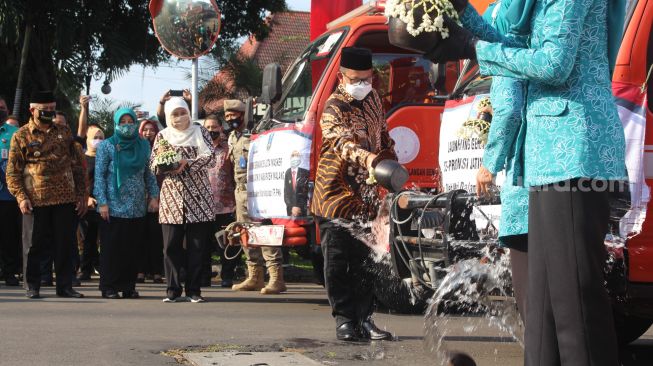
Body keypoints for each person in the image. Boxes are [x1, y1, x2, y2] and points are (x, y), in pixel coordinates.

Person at [431, 0, 627, 364]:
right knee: (543, 321)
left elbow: (553, 63)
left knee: (573, 310)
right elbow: (518, 47)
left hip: (573, 154)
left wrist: (472, 47)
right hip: (548, 158)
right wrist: (460, 14)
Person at [311, 47, 397, 341]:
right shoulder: (334, 106)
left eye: (366, 78)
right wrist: (370, 159)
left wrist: (391, 163)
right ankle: (345, 320)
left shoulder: (374, 100)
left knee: (367, 262)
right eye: (355, 78)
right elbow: (342, 145)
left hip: (367, 199)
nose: (361, 84)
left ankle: (366, 318)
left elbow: (384, 136)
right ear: (341, 77)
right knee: (337, 263)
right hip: (335, 196)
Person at [469, 0, 529, 324]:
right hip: (569, 178)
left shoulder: (503, 31)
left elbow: (507, 109)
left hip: (527, 181)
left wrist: (489, 164)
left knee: (532, 301)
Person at [6, 90, 87, 299]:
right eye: (45, 110)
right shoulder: (21, 135)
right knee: (33, 245)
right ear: (32, 110)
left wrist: (82, 194)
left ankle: (65, 286)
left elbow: (78, 165)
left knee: (65, 244)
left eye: (52, 109)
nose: (49, 113)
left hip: (65, 198)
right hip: (35, 199)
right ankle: (32, 286)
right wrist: (21, 196)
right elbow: (13, 171)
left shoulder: (64, 132)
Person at [150, 97, 216, 303]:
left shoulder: (200, 131)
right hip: (172, 198)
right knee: (170, 246)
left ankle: (194, 290)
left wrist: (188, 163)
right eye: (175, 114)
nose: (180, 117)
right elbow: (152, 164)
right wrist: (167, 165)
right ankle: (173, 289)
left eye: (182, 112)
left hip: (199, 197)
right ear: (168, 116)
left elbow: (211, 158)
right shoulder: (162, 136)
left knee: (197, 247)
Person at [95, 108, 158, 299]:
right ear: (116, 123)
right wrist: (102, 203)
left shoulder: (144, 146)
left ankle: (128, 286)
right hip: (113, 206)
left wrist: (154, 196)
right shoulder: (107, 146)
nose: (127, 125)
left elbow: (149, 174)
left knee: (133, 248)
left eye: (130, 121)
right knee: (112, 249)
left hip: (137, 206)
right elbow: (99, 176)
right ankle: (109, 286)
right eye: (123, 121)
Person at [226, 99, 287, 295]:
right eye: (227, 116)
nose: (230, 119)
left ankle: (276, 277)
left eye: (234, 115)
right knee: (245, 233)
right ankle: (255, 275)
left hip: (258, 190)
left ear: (244, 115)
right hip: (240, 191)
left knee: (264, 232)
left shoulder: (256, 135)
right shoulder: (232, 137)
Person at [203, 114, 239, 288]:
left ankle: (227, 276)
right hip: (202, 206)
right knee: (202, 244)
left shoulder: (228, 149)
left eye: (214, 127)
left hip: (225, 205)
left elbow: (236, 175)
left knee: (226, 244)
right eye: (207, 128)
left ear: (220, 128)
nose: (211, 130)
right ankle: (203, 276)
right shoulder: (199, 148)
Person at [136, 119, 164, 284]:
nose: (148, 133)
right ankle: (140, 270)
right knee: (140, 236)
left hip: (159, 198)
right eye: (145, 130)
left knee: (156, 236)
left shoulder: (162, 148)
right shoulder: (137, 148)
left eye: (151, 130)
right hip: (139, 198)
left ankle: (156, 271)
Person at [77, 124, 104, 281]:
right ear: (87, 139)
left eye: (101, 138)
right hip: (85, 204)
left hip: (103, 203)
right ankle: (86, 269)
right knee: (87, 238)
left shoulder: (106, 157)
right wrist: (85, 198)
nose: (98, 141)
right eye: (95, 138)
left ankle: (98, 266)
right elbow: (79, 180)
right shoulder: (82, 158)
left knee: (99, 238)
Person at [0, 95, 21, 286]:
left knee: (8, 236)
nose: (1, 110)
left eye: (2, 107)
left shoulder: (15, 133)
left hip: (7, 194)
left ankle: (9, 272)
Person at [284, 150, 309, 217]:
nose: (295, 158)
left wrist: (298, 207)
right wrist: (292, 207)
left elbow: (305, 192)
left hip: (301, 209)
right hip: (290, 210)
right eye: (293, 156)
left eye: (297, 156)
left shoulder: (305, 172)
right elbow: (286, 193)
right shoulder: (287, 172)